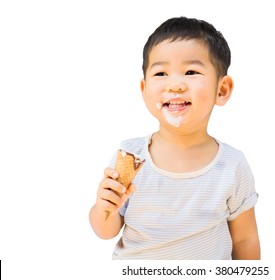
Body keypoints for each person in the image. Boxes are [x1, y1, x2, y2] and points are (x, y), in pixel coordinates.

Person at [89, 16, 260, 260]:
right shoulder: (131, 156)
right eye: (161, 73)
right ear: (144, 89)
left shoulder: (232, 165)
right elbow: (106, 231)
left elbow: (246, 238)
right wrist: (104, 208)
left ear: (221, 90)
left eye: (191, 71)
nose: (175, 85)